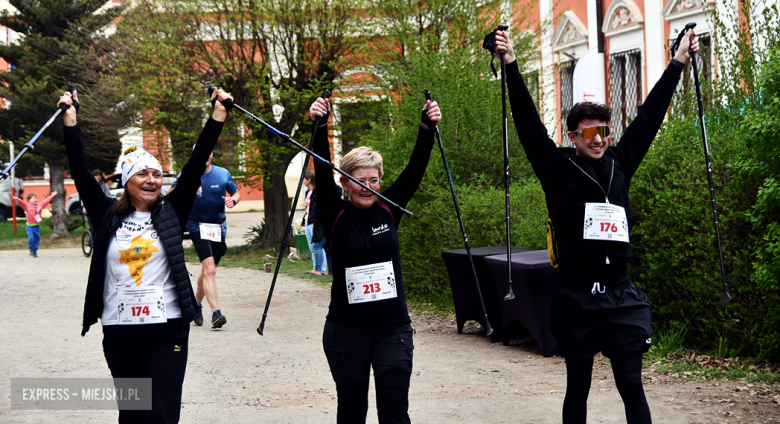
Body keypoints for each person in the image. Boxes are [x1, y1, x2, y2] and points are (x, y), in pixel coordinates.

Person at [495, 30, 698, 423]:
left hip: (621, 295)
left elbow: (650, 117)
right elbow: (528, 124)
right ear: (573, 136)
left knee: (631, 383)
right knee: (579, 386)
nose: (600, 139)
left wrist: (678, 63)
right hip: (577, 298)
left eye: (605, 131)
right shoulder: (557, 169)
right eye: (590, 133)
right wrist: (511, 65)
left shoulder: (620, 164)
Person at [59, 87, 232, 423]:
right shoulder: (106, 213)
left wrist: (218, 116)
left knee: (162, 413)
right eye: (143, 173)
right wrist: (70, 121)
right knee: (134, 413)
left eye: (156, 174)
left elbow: (196, 165)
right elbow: (80, 172)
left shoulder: (172, 210)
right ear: (127, 181)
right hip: (121, 329)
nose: (152, 179)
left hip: (167, 328)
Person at [309, 95, 441, 423]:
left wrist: (427, 127)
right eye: (358, 180)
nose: (367, 187)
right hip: (346, 329)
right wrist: (319, 123)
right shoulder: (334, 210)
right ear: (344, 182)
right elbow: (322, 167)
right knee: (352, 412)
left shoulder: (388, 206)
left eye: (374, 180)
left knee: (394, 412)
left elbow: (415, 170)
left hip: (392, 328)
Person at [186, 150, 241, 329]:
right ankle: (216, 312)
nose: (205, 156)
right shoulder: (188, 173)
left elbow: (237, 193)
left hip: (218, 227)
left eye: (208, 153)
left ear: (211, 156)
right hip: (197, 226)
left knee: (208, 270)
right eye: (202, 153)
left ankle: (196, 303)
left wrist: (234, 200)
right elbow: (172, 193)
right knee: (209, 269)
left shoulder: (223, 173)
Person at [14, 190, 58, 257]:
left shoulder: (40, 205)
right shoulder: (27, 206)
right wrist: (18, 199)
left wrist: (52, 195)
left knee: (37, 239)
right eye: (33, 198)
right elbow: (22, 203)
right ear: (29, 200)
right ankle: (31, 248)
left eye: (36, 198)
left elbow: (46, 201)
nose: (35, 199)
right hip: (29, 226)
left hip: (36, 226)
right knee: (31, 238)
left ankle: (34, 251)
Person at [302, 171, 327, 275]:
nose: (302, 181)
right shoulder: (307, 193)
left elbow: (316, 209)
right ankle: (315, 268)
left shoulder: (316, 193)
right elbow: (308, 208)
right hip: (308, 221)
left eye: (304, 179)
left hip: (314, 222)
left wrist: (313, 220)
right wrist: (304, 219)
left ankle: (321, 269)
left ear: (309, 180)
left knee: (318, 245)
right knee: (312, 247)